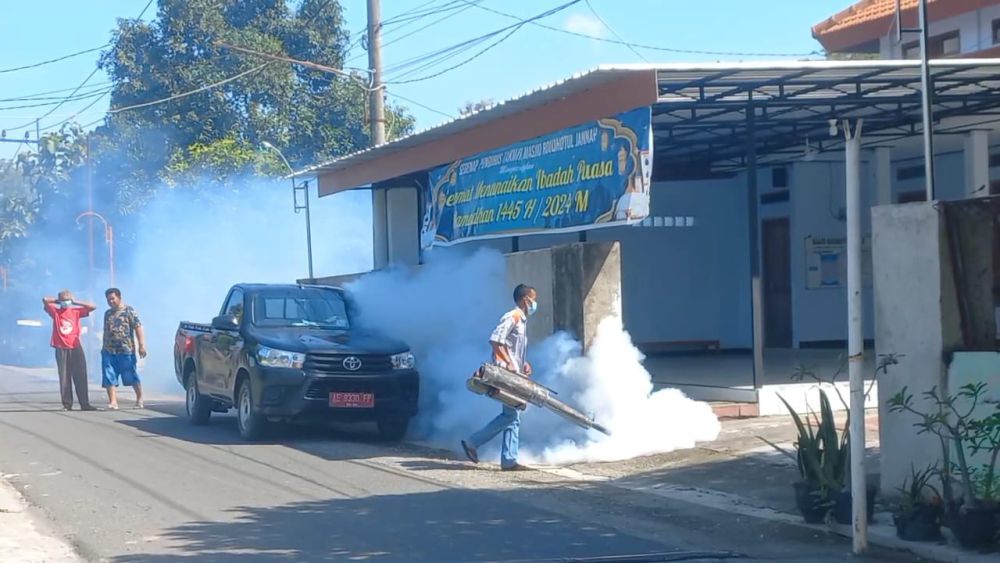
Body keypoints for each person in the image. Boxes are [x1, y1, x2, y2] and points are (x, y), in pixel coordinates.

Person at [461, 284, 537, 471]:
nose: (535, 303)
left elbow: (512, 348)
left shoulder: (522, 321)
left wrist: (523, 363)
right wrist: (508, 364)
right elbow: (496, 339)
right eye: (533, 299)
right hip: (506, 375)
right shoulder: (513, 317)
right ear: (525, 299)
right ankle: (474, 443)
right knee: (512, 414)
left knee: (513, 413)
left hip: (514, 374)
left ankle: (508, 459)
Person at [42, 290, 97, 411]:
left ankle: (85, 403)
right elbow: (45, 300)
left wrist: (75, 301)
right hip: (61, 347)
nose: (66, 302)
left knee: (81, 375)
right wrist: (58, 301)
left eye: (68, 299)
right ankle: (67, 404)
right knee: (64, 377)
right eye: (63, 300)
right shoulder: (55, 312)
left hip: (75, 346)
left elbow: (93, 307)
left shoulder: (76, 311)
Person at [101, 288, 147, 410]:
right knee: (108, 375)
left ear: (119, 297)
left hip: (126, 350)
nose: (111, 301)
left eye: (113, 298)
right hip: (109, 351)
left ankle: (139, 398)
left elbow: (138, 327)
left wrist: (142, 345)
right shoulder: (107, 314)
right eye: (108, 299)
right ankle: (113, 402)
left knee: (130, 375)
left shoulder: (129, 311)